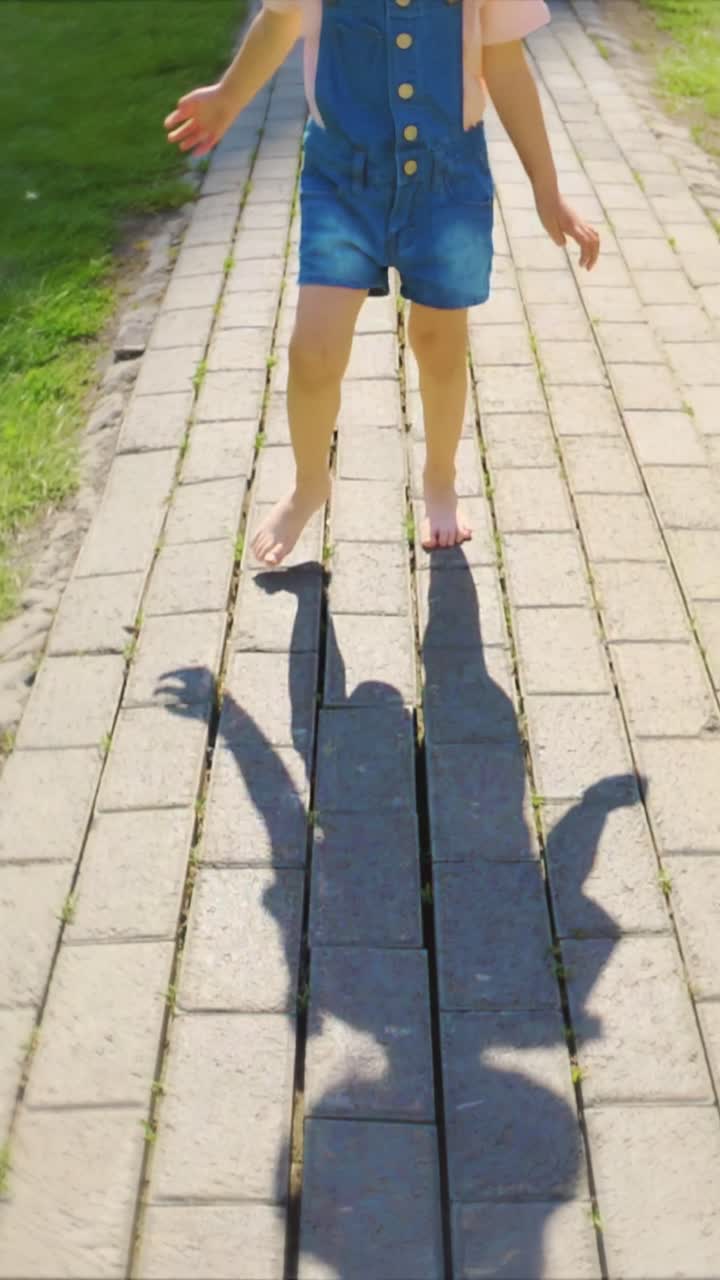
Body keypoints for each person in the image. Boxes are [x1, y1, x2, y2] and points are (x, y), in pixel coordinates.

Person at [165, 0, 600, 566]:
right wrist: (228, 99)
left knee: (439, 344)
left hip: (447, 183)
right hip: (342, 181)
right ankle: (308, 484)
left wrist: (547, 188)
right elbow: (280, 20)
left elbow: (506, 63)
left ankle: (440, 478)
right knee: (314, 350)